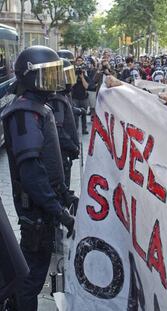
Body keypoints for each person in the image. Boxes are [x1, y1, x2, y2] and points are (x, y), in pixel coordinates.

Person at [0, 45, 76, 311]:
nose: (54, 82)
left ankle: (39, 303)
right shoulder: (23, 113)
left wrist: (65, 196)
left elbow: (47, 164)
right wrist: (58, 209)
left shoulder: (37, 107)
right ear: (31, 76)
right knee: (31, 278)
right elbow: (31, 173)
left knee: (44, 268)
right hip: (37, 213)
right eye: (48, 75)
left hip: (46, 209)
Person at [47, 58, 80, 188]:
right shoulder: (56, 99)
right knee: (63, 186)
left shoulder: (61, 96)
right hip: (62, 153)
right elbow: (59, 131)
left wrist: (77, 111)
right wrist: (73, 147)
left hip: (63, 152)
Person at [71, 56, 90, 134]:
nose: (79, 62)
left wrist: (82, 77)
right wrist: (75, 76)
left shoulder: (85, 76)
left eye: (81, 61)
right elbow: (71, 85)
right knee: (75, 115)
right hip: (75, 97)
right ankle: (76, 129)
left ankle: (84, 129)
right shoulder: (72, 75)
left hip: (83, 97)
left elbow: (86, 86)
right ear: (76, 62)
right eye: (78, 61)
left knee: (84, 114)